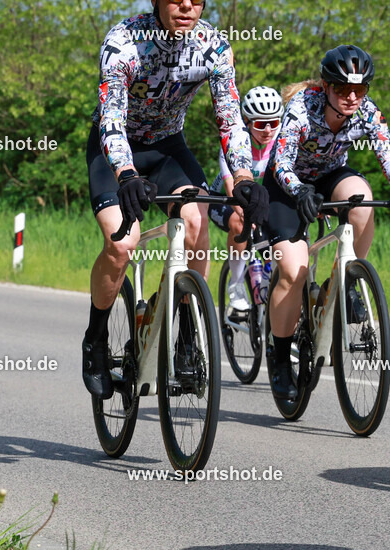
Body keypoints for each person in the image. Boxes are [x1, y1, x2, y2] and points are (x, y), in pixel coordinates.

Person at [82, 0, 269, 398]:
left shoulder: (214, 45)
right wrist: (126, 173)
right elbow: (111, 116)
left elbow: (230, 118)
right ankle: (95, 338)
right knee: (122, 244)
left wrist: (243, 176)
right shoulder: (123, 41)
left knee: (196, 224)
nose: (186, 5)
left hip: (168, 148)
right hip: (114, 148)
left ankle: (185, 335)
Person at [264, 45, 390, 399]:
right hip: (287, 186)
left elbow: (387, 151)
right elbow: (281, 162)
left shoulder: (366, 111)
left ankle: (345, 282)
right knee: (293, 271)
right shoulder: (302, 108)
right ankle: (281, 359)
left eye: (359, 89)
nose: (351, 97)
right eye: (342, 89)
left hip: (330, 176)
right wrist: (299, 190)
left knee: (362, 201)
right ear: (326, 86)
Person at [207, 86, 284, 311]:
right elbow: (230, 186)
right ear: (248, 122)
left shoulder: (281, 140)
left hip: (261, 200)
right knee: (240, 223)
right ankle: (236, 284)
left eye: (274, 123)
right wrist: (245, 213)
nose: (268, 130)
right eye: (261, 124)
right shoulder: (235, 141)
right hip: (225, 200)